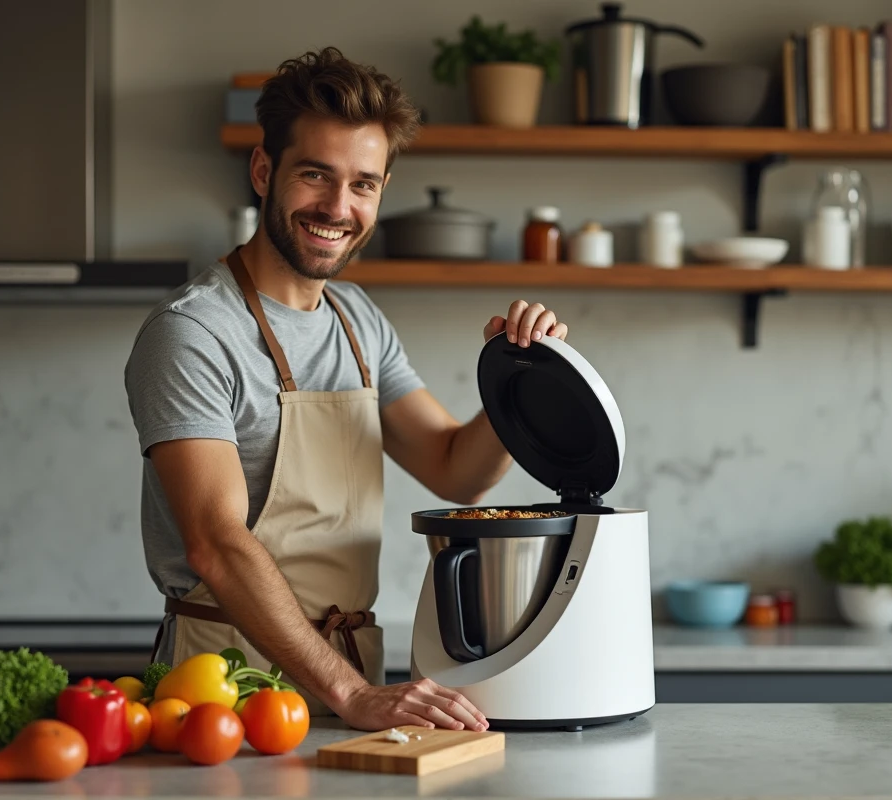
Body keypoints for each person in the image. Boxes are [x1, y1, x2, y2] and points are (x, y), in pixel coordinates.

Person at [123, 47, 570, 733]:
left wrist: (522, 381)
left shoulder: (357, 320)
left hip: (349, 685)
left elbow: (456, 469)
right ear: (263, 171)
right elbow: (216, 543)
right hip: (222, 694)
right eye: (315, 175)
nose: (338, 207)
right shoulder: (193, 333)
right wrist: (354, 694)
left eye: (363, 184)